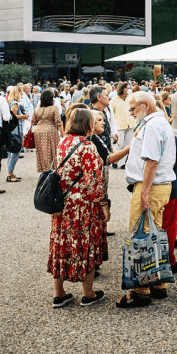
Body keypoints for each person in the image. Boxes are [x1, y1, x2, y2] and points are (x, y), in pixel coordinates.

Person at [110, 91, 177, 308]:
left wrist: (145, 191)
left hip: (151, 186)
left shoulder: (153, 125)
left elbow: (152, 161)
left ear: (145, 105)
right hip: (159, 185)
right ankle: (158, 284)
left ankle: (140, 291)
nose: (131, 113)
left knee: (141, 237)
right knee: (154, 233)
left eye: (133, 108)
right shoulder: (157, 122)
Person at [48, 108, 108, 308]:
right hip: (83, 205)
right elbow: (93, 181)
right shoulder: (87, 146)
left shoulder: (63, 142)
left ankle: (59, 293)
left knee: (61, 242)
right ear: (87, 124)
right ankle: (88, 293)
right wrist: (103, 204)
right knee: (86, 244)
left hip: (62, 204)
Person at [31, 89, 63, 172]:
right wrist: (63, 133)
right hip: (50, 130)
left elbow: (33, 121)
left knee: (42, 152)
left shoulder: (37, 109)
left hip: (38, 130)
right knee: (53, 151)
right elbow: (58, 122)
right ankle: (53, 169)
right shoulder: (54, 108)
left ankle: (44, 169)